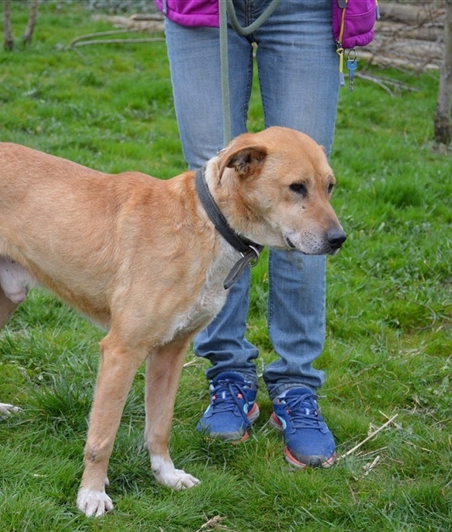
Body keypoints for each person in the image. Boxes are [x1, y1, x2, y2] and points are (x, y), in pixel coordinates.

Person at [155, 0, 341, 468]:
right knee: (214, 197)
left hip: (305, 8)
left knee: (305, 210)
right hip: (205, 8)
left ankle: (296, 385)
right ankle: (228, 376)